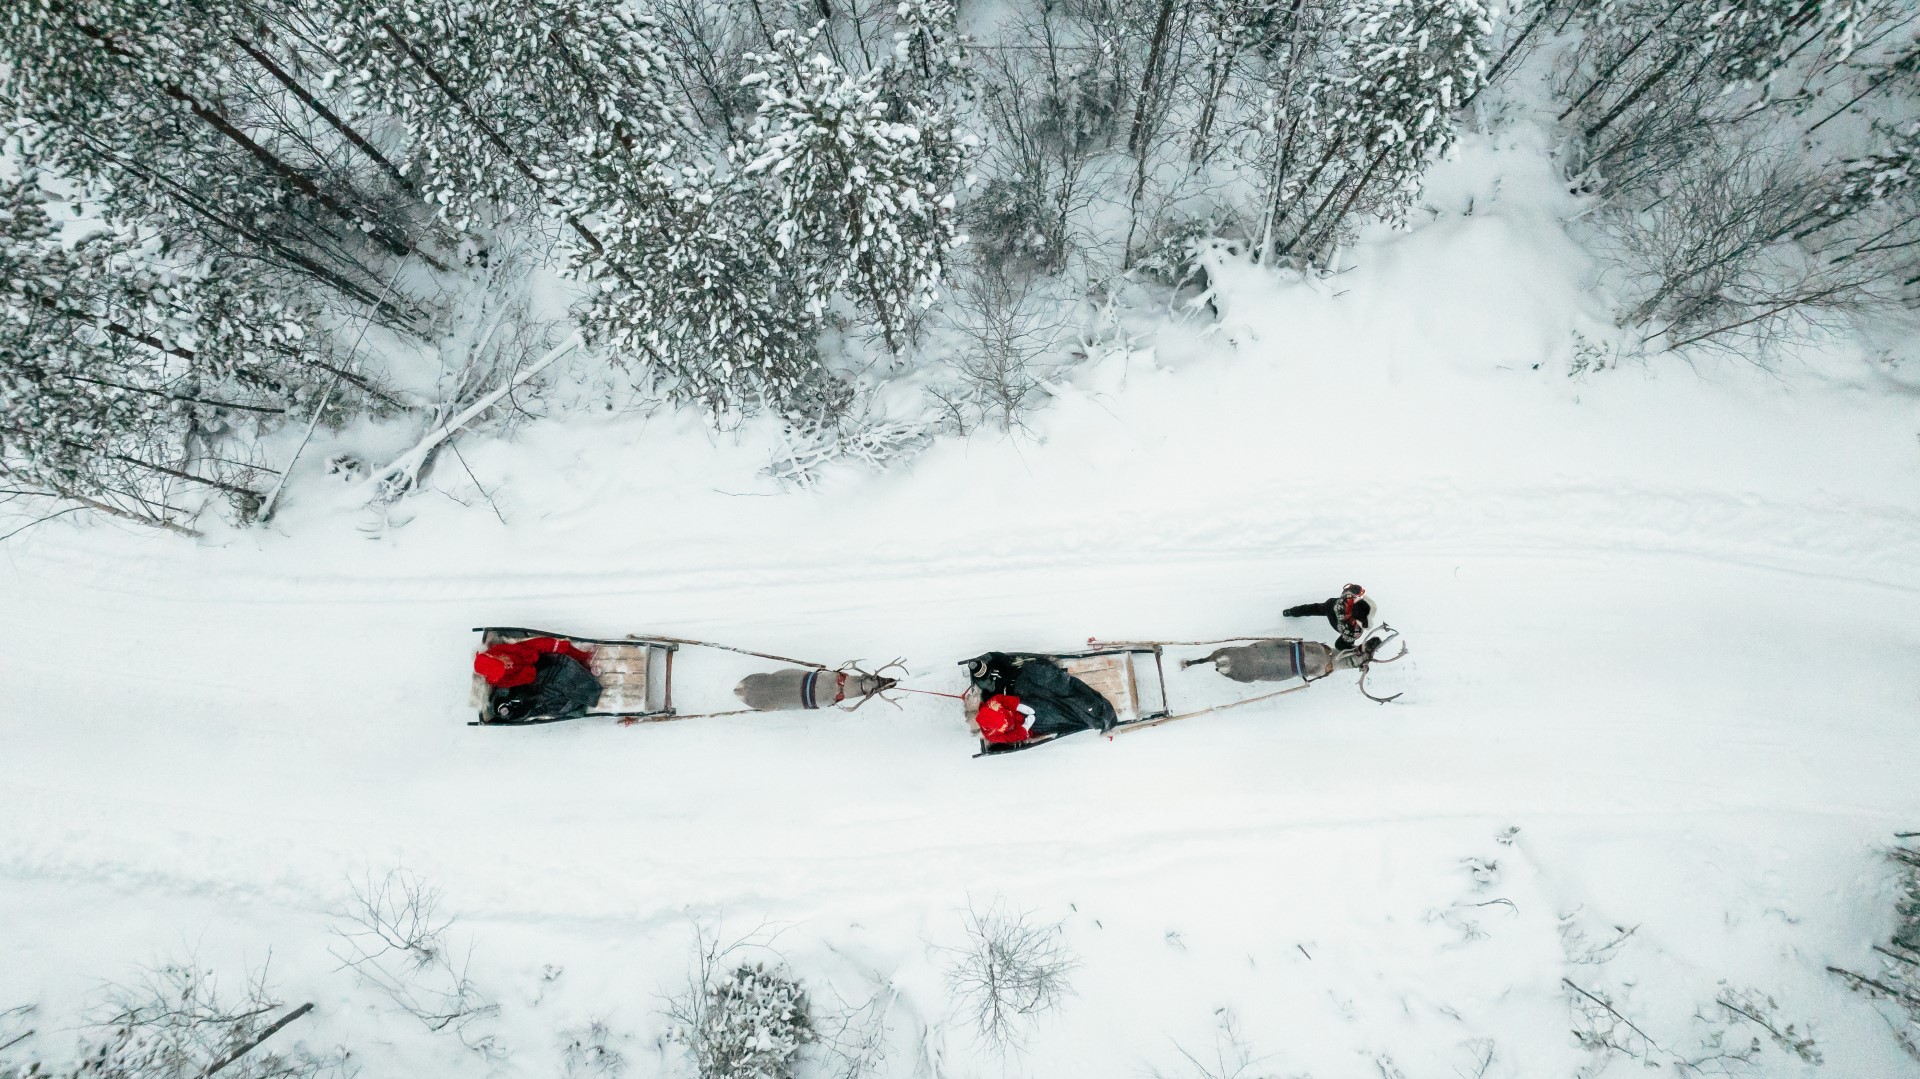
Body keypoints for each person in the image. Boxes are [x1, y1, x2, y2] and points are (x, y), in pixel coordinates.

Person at [1283, 583, 1379, 651]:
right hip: (1339, 625)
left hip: (1331, 607)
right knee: (1346, 644)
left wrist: (1354, 589)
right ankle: (1362, 649)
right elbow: (1339, 645)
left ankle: (1291, 612)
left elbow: (1346, 592)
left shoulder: (1347, 599)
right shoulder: (1354, 632)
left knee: (1312, 608)